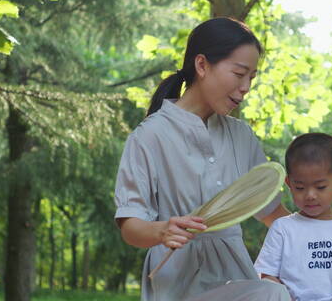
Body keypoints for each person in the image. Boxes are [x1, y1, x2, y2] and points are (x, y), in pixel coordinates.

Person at [113, 17, 290, 301]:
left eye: (252, 78)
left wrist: (327, 241)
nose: (246, 87)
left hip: (236, 277)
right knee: (273, 295)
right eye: (239, 73)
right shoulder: (150, 136)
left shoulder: (241, 135)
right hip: (176, 285)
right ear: (202, 65)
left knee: (275, 293)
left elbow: (271, 213)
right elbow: (131, 225)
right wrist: (161, 231)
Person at [254, 133, 332, 301]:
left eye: (320, 187)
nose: (310, 195)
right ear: (289, 183)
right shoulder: (282, 228)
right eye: (300, 187)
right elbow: (267, 276)